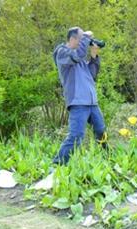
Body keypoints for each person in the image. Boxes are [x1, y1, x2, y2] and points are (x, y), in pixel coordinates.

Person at [52, 26, 107, 165]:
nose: (85, 41)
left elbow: (92, 74)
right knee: (76, 136)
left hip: (92, 103)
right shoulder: (62, 53)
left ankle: (106, 157)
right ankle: (58, 163)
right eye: (82, 38)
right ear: (72, 39)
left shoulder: (80, 59)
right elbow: (77, 55)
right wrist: (88, 37)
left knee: (101, 131)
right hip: (78, 103)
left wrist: (94, 56)